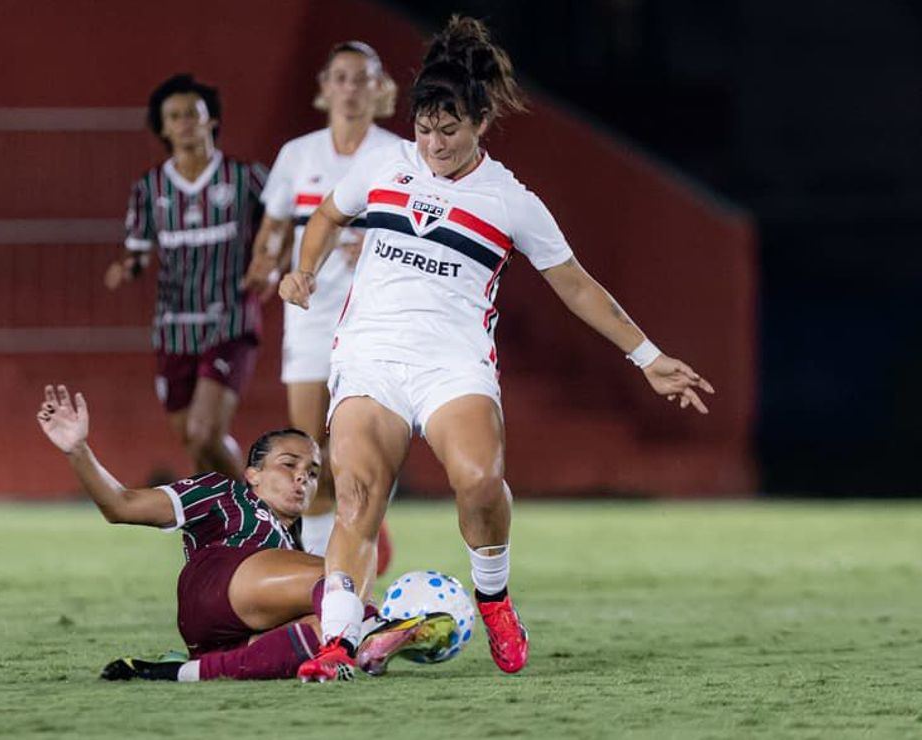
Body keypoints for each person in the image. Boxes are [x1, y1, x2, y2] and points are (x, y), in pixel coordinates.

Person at [279, 16, 716, 682]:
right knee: (356, 496)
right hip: (369, 356)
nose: (433, 143)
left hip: (451, 366)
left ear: (480, 122)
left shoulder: (510, 200)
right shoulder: (382, 164)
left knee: (480, 481)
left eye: (449, 130)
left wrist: (647, 356)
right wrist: (304, 268)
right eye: (425, 128)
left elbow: (576, 286)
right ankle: (337, 642)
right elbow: (328, 214)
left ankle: (494, 598)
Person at [35, 384, 455, 682]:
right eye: (287, 465)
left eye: (311, 473)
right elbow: (120, 505)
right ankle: (375, 628)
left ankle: (175, 673)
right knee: (336, 580)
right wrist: (78, 450)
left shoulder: (293, 540)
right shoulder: (223, 492)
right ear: (252, 474)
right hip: (212, 584)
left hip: (221, 637)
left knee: (319, 626)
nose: (301, 480)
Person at [242, 41, 400, 563]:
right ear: (324, 87)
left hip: (371, 314)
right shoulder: (299, 153)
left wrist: (374, 242)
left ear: (379, 87)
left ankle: (355, 542)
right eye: (341, 77)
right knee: (308, 446)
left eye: (362, 78)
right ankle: (315, 566)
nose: (351, 88)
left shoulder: (397, 153)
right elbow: (274, 225)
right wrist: (264, 264)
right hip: (309, 312)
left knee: (354, 447)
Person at [105, 74, 266, 481]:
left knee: (204, 431)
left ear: (211, 119)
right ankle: (223, 531)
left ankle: (266, 518)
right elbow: (139, 248)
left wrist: (273, 264)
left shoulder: (245, 179)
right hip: (174, 327)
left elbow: (279, 231)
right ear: (162, 127)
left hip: (230, 320)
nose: (184, 123)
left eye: (193, 114)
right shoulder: (150, 188)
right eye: (174, 116)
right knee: (196, 443)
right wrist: (128, 266)